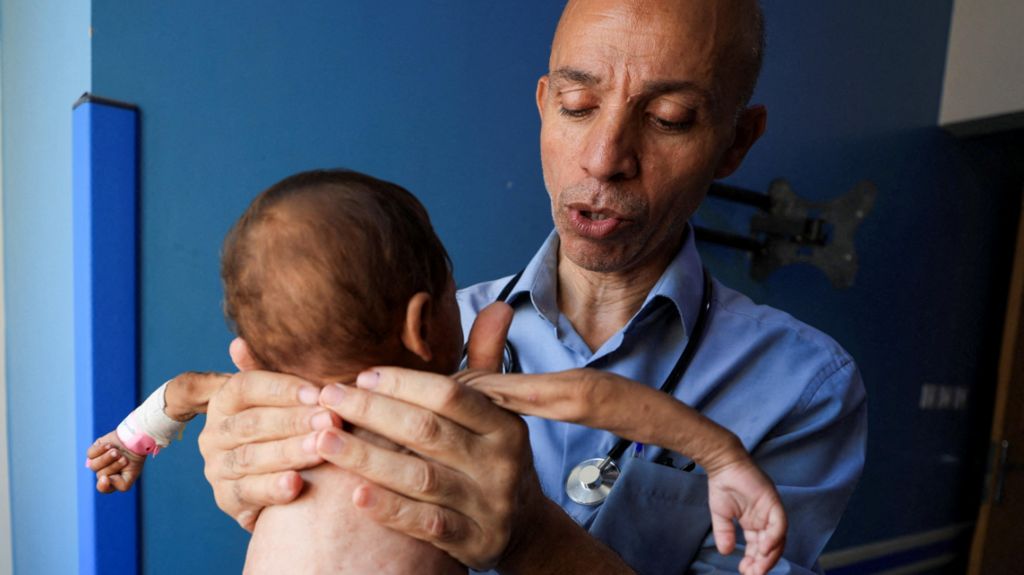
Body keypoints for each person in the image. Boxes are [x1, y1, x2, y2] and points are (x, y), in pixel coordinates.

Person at [191, 1, 867, 573]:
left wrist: (534, 538)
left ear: (735, 143)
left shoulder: (806, 386)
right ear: (545, 106)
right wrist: (254, 459)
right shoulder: (411, 338)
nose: (604, 158)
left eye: (668, 118)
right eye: (577, 105)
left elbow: (594, 400)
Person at [85, 169, 788, 574]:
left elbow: (182, 392)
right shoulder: (451, 403)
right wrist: (720, 454)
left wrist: (133, 439)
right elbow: (592, 395)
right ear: (425, 323)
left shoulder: (259, 398)